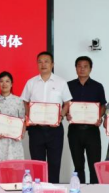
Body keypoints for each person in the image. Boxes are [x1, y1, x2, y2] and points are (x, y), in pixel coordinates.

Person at [21, 51, 72, 184]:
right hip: (36, 129)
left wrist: (61, 115)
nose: (43, 64)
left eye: (46, 61)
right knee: (37, 163)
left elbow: (67, 103)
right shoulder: (31, 82)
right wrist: (29, 116)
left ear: (52, 64)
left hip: (55, 129)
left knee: (54, 162)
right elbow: (25, 102)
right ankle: (38, 189)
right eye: (40, 62)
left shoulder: (61, 82)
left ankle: (53, 190)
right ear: (37, 64)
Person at [67, 56, 106, 184]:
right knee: (78, 166)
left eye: (85, 66)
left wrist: (99, 117)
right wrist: (67, 113)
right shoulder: (68, 86)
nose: (82, 69)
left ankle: (94, 192)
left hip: (92, 131)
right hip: (74, 131)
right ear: (75, 68)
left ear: (90, 69)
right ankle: (79, 190)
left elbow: (103, 106)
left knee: (94, 166)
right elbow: (65, 105)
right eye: (79, 66)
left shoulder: (98, 86)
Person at [0, 71, 25, 169]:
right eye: (1, 81)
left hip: (13, 141)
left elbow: (23, 120)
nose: (4, 84)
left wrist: (20, 133)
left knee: (13, 169)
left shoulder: (18, 101)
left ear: (11, 84)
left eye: (7, 81)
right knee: (0, 169)